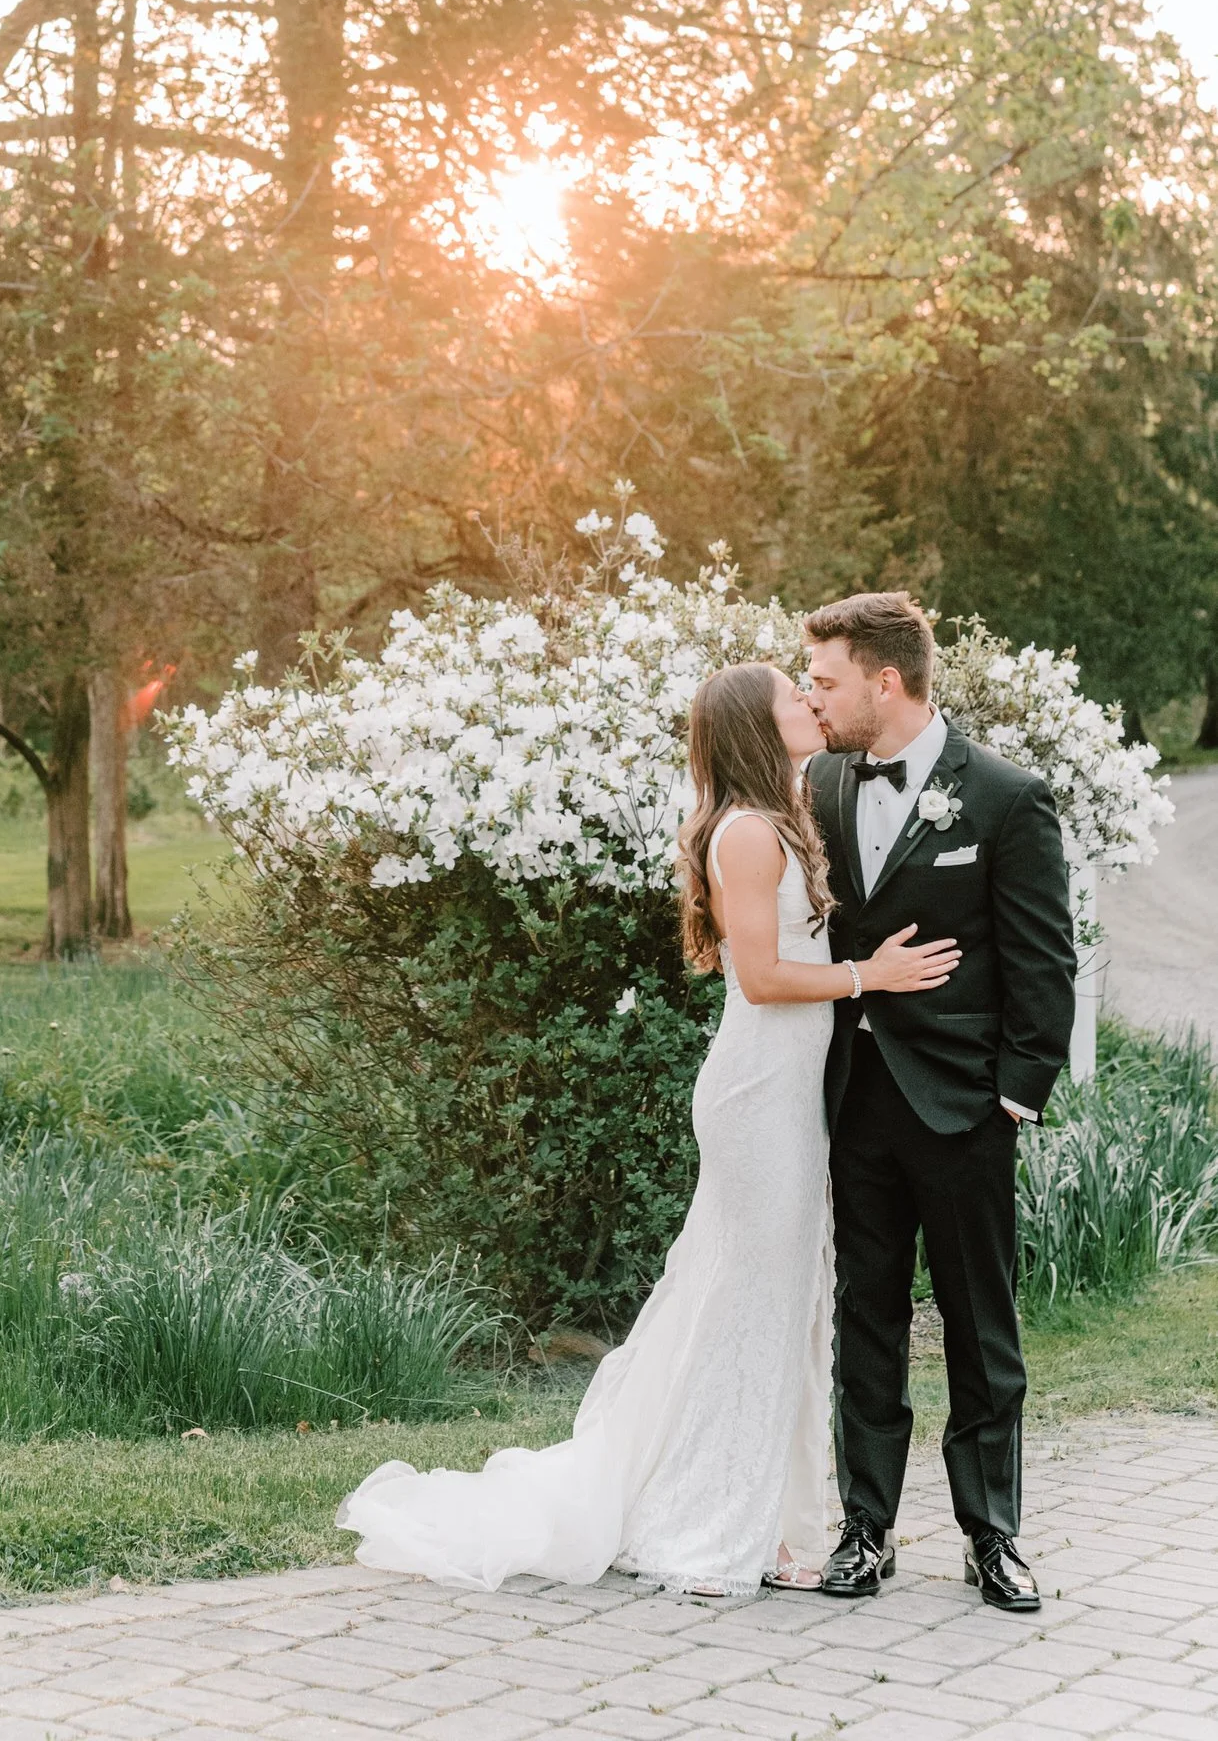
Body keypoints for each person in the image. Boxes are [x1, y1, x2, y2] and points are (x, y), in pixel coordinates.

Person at [336, 660, 960, 1596]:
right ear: (759, 725)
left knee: (773, 1303)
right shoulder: (748, 835)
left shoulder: (782, 818)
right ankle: (712, 1521)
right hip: (756, 1097)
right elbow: (761, 979)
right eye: (795, 696)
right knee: (753, 1307)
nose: (811, 703)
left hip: (790, 1094)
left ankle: (773, 1518)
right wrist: (874, 976)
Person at [803, 593, 1078, 1614]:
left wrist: (1014, 1097)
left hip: (964, 1107)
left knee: (978, 1323)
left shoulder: (1004, 797)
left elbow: (1041, 961)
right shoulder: (820, 782)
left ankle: (990, 1535)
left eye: (825, 680)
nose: (812, 698)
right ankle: (862, 1530)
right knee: (862, 1317)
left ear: (885, 681)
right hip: (852, 1102)